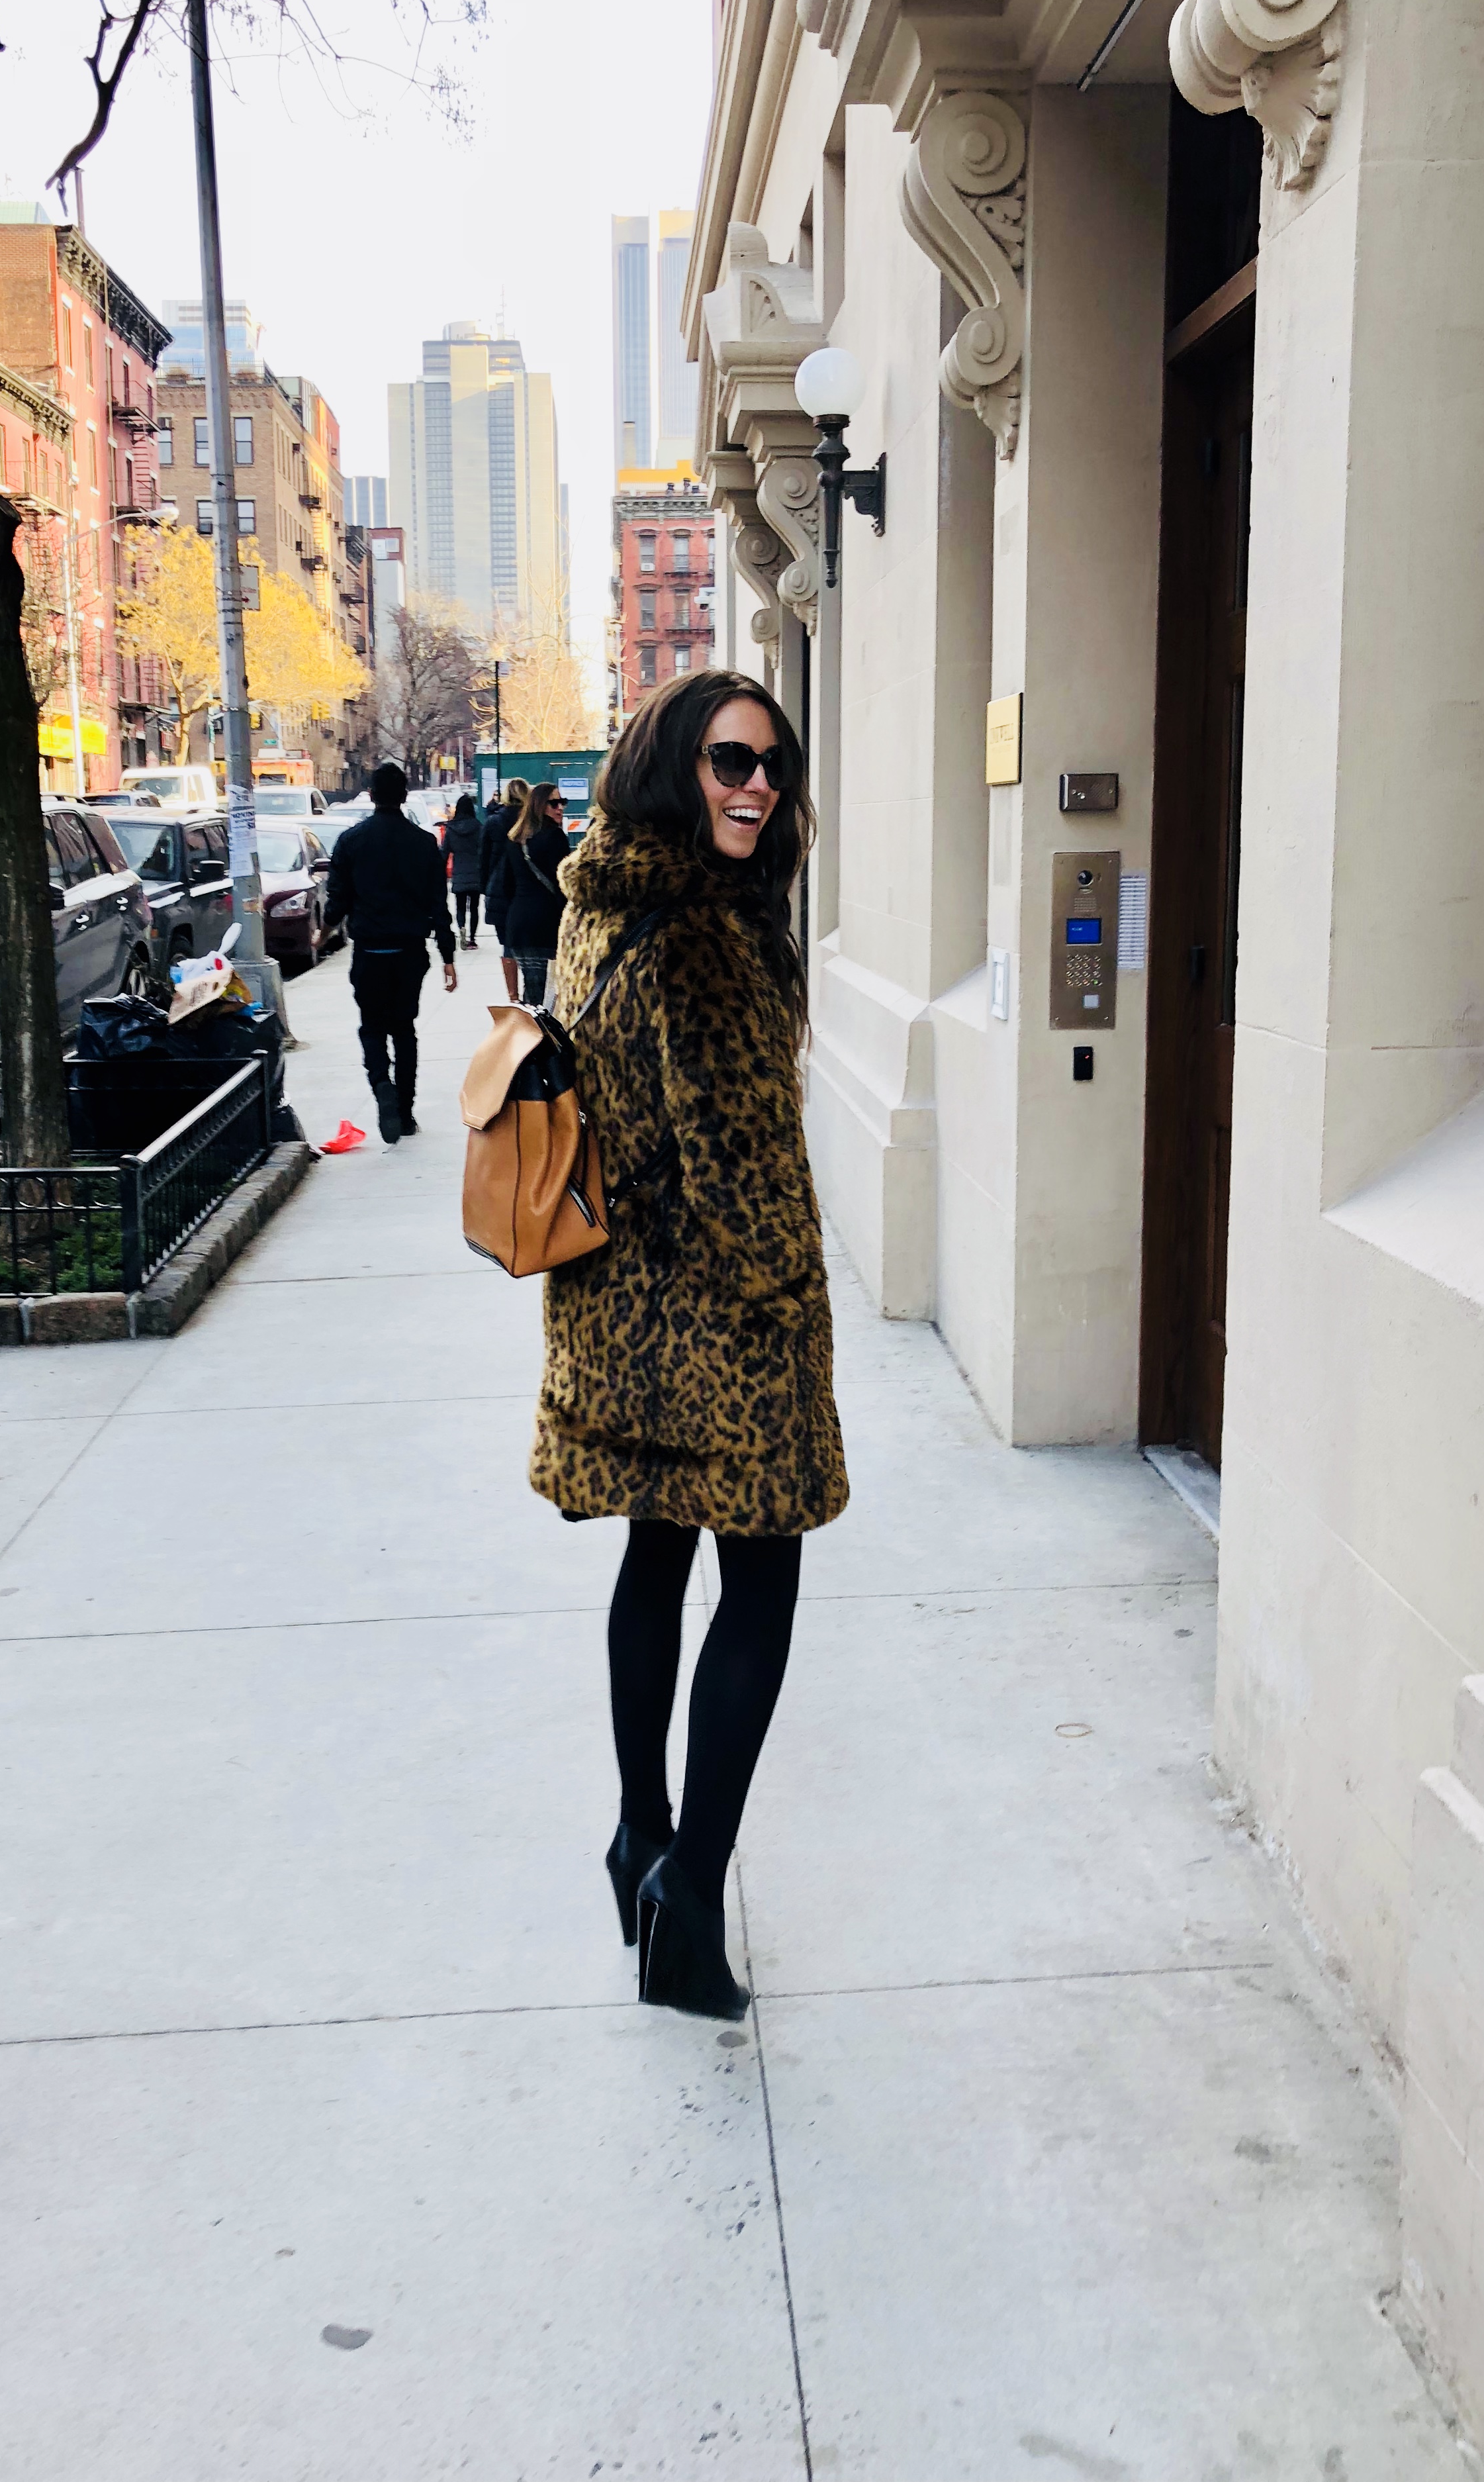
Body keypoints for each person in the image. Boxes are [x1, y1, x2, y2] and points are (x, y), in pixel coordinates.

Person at [529, 669, 847, 2021]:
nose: (757, 786)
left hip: (620, 1316)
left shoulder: (601, 903)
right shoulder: (708, 937)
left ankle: (638, 1833)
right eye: (729, 761)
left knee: (655, 1558)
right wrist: (793, 1301)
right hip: (723, 1325)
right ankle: (691, 1893)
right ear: (674, 767)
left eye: (772, 765)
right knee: (760, 1589)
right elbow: (745, 1165)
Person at [323, 761, 456, 1143]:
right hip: (410, 952)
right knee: (404, 1030)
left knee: (372, 1026)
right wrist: (447, 956)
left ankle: (381, 1083)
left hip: (370, 950)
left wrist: (324, 930)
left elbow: (337, 899)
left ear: (371, 795)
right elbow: (438, 905)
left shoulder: (351, 841)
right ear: (404, 796)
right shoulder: (423, 843)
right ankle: (405, 1111)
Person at [502, 782, 571, 1008]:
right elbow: (563, 886)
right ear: (540, 805)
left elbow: (506, 885)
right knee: (545, 1000)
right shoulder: (554, 837)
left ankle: (529, 1029)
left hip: (519, 923)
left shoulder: (515, 839)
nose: (560, 808)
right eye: (554, 803)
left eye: (562, 803)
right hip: (545, 925)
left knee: (533, 994)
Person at [480, 775, 530, 1002]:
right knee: (529, 944)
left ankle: (513, 996)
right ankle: (531, 992)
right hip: (525, 888)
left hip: (498, 889)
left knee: (507, 944)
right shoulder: (531, 822)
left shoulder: (493, 823)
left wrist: (485, 889)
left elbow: (483, 860)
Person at [442, 790, 484, 947]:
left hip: (459, 872)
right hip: (475, 872)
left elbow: (445, 852)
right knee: (474, 908)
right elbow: (483, 849)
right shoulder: (478, 827)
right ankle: (472, 939)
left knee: (460, 907)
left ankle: (461, 928)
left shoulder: (451, 829)